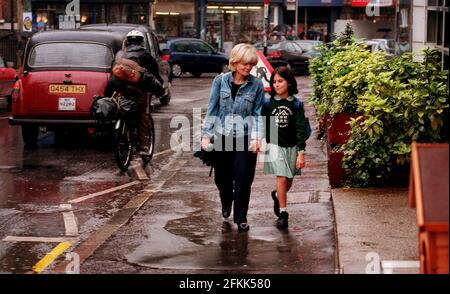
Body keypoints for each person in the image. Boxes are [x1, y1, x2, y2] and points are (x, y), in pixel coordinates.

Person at [201, 43, 264, 232]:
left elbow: (258, 113)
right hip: (222, 136)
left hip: (245, 137)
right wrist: (206, 135)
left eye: (251, 65)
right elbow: (212, 108)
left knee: (244, 178)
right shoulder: (220, 81)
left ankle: (241, 217)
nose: (248, 68)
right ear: (235, 63)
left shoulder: (256, 85)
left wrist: (257, 138)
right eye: (244, 64)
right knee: (222, 178)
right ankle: (226, 200)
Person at [263, 66, 308, 229]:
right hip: (275, 144)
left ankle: (276, 195)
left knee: (288, 180)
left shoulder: (296, 104)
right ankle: (283, 213)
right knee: (281, 178)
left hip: (292, 146)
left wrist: (301, 152)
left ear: (289, 83)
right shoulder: (268, 103)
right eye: (274, 82)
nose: (276, 85)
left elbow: (300, 128)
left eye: (280, 81)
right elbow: (262, 123)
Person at [108, 29, 163, 155]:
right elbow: (155, 75)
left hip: (118, 88)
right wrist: (160, 90)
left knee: (119, 107)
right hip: (137, 90)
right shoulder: (145, 55)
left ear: (127, 41)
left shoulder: (120, 54)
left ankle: (120, 131)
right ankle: (144, 146)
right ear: (141, 41)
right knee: (143, 114)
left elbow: (113, 71)